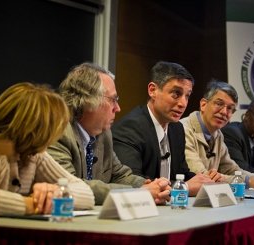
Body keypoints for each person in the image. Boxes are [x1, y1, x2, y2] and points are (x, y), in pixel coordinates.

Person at [47, 62, 170, 205]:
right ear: (89, 101)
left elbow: (119, 174)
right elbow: (71, 187)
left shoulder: (103, 134)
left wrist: (154, 187)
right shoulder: (57, 133)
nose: (118, 108)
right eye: (113, 100)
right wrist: (139, 193)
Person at [112, 61, 224, 197]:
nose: (183, 103)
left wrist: (206, 180)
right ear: (152, 90)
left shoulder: (176, 128)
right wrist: (186, 187)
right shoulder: (130, 127)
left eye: (187, 96)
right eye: (176, 93)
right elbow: (133, 183)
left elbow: (182, 174)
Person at [0, 82, 94, 216]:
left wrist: (56, 191)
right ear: (36, 131)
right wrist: (34, 204)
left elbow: (87, 194)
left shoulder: (33, 154)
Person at [180, 80, 254, 189]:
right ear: (203, 104)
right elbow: (201, 176)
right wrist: (249, 182)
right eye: (219, 104)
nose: (224, 112)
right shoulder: (183, 129)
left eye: (230, 108)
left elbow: (231, 169)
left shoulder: (218, 134)